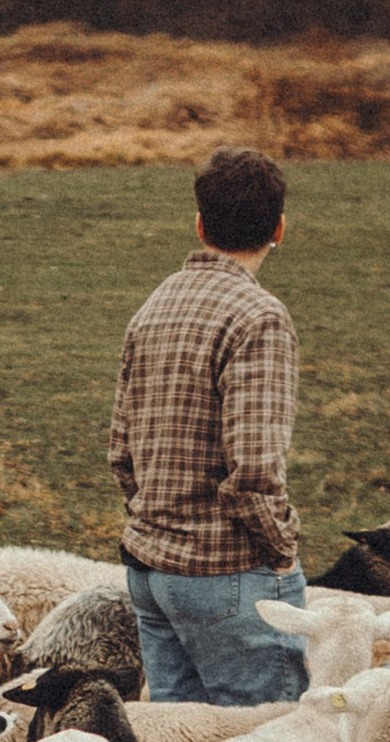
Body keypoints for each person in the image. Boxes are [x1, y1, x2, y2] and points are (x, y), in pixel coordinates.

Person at [106, 145, 308, 705]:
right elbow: (255, 467)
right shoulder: (258, 316)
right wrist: (282, 552)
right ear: (279, 229)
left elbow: (121, 452)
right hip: (229, 572)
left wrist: (156, 524)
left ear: (199, 223)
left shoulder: (155, 304)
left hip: (151, 571)